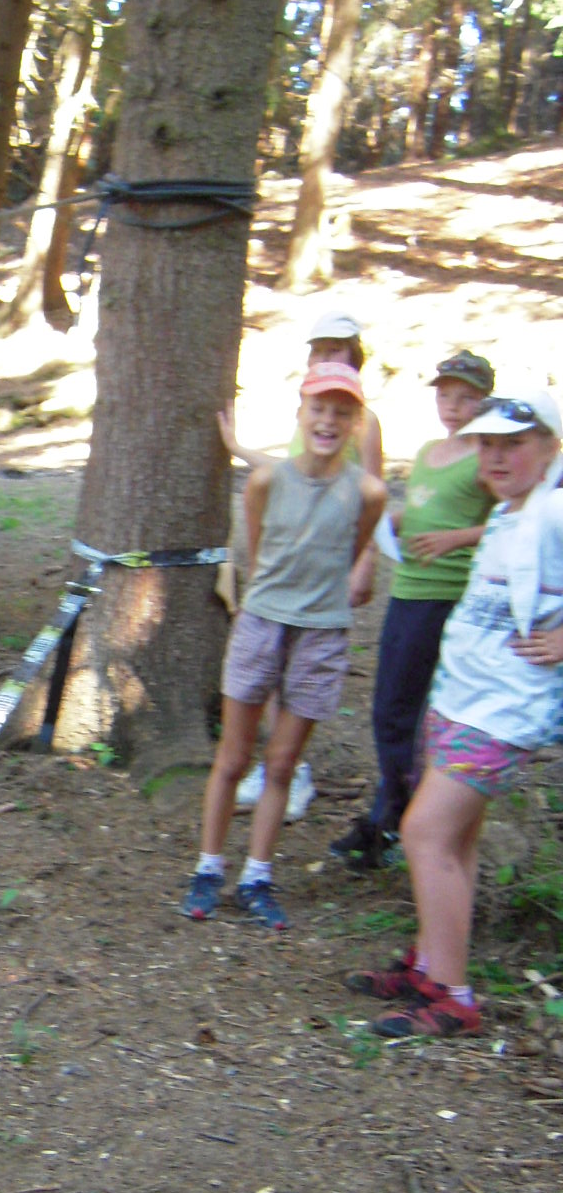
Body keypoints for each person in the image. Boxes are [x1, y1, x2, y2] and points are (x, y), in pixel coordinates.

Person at [349, 386, 563, 1038]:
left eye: (513, 445)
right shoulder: (506, 515)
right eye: (487, 444)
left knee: (423, 832)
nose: (496, 458)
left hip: (502, 712)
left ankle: (453, 998)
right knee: (455, 840)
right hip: (461, 699)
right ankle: (430, 965)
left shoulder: (554, 511)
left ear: (550, 449)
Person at [184, 364, 386, 930]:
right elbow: (258, 547)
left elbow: (351, 549)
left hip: (321, 634)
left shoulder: (368, 492)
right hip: (262, 624)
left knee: (281, 763)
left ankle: (257, 876)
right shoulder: (267, 481)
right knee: (232, 758)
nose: (328, 421)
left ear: (356, 422)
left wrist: (316, 600)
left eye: (342, 412)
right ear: (300, 413)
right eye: (319, 409)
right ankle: (207, 867)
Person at [329, 350, 496, 872]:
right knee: (391, 707)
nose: (453, 405)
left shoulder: (487, 457)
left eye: (466, 397)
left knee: (402, 709)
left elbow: (510, 519)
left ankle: (395, 819)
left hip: (446, 594)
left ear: (485, 401)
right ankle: (397, 810)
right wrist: (393, 521)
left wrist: (456, 538)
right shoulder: (428, 452)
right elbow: (426, 506)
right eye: (445, 395)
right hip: (408, 588)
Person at [219, 309, 387, 825]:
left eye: (336, 348)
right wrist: (236, 447)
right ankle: (277, 769)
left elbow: (369, 492)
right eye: (319, 349)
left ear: (355, 354)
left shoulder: (361, 422)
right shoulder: (314, 415)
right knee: (270, 671)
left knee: (304, 675)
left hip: (326, 573)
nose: (326, 356)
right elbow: (290, 474)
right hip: (285, 576)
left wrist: (364, 563)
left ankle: (293, 772)